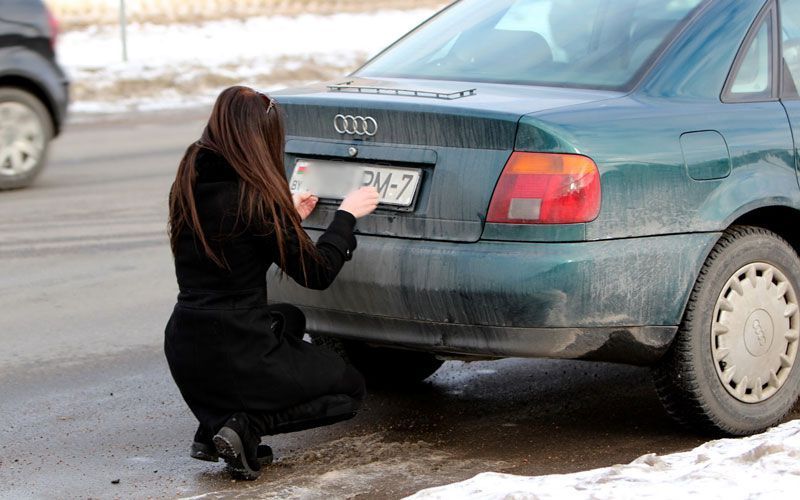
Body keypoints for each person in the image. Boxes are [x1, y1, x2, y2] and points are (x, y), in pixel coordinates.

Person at [164, 85, 379, 480]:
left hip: (187, 346)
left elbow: (232, 241)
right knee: (349, 388)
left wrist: (287, 220)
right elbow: (318, 274)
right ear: (261, 138)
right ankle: (244, 427)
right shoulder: (257, 200)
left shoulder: (189, 184)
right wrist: (346, 217)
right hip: (238, 347)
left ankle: (213, 427)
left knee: (290, 319)